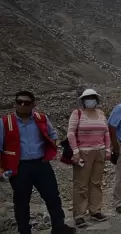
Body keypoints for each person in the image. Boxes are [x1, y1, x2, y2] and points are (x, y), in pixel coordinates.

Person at [0, 91, 76, 234]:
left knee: (53, 196)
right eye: (19, 102)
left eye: (26, 103)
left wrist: (49, 153)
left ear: (33, 104)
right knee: (21, 201)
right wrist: (1, 169)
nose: (22, 105)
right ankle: (24, 230)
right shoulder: (5, 122)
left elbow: (52, 134)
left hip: (41, 164)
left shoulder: (41, 118)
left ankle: (59, 227)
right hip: (20, 167)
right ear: (15, 103)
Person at [67, 89, 110, 227]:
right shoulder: (77, 113)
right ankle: (79, 215)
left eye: (93, 97)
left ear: (96, 99)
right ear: (83, 100)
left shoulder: (101, 114)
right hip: (83, 153)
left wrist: (108, 150)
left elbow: (106, 133)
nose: (90, 99)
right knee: (81, 184)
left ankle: (95, 210)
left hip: (100, 152)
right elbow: (71, 134)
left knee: (96, 183)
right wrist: (75, 151)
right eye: (88, 97)